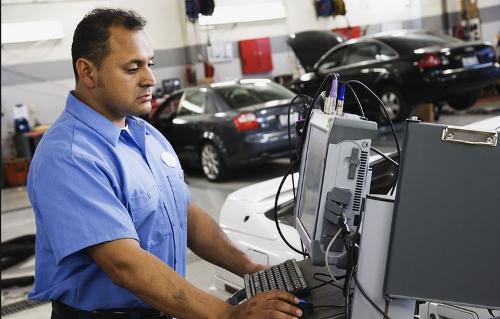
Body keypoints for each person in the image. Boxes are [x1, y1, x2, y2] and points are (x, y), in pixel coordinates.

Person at [27, 8, 303, 319]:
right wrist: (230, 315)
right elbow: (124, 264)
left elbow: (185, 214)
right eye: (133, 69)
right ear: (88, 72)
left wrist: (251, 269)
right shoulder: (70, 155)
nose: (150, 79)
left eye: (149, 64)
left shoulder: (144, 134)